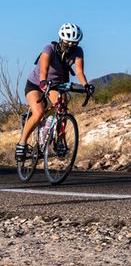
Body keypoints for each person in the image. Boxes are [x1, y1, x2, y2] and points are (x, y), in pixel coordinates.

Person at [16, 23, 93, 162]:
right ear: (61, 38)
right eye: (68, 40)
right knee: (38, 112)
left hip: (56, 85)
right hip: (36, 83)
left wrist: (86, 85)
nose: (70, 44)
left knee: (62, 106)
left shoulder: (78, 51)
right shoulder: (49, 48)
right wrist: (43, 81)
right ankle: (21, 143)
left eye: (74, 42)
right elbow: (43, 69)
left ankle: (59, 141)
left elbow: (80, 71)